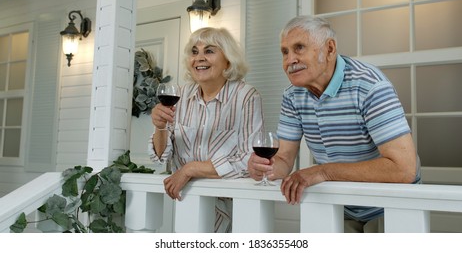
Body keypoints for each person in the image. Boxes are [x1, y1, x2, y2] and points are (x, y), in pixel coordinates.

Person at [247, 15, 421, 233]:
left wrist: (323, 172)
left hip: (390, 206)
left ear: (329, 49)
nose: (290, 60)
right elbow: (283, 159)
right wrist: (265, 168)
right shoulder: (293, 96)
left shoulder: (370, 86)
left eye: (299, 48)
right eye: (285, 52)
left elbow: (404, 169)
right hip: (339, 205)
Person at [149, 27, 264, 232]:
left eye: (209, 51)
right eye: (194, 52)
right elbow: (161, 157)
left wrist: (190, 169)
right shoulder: (181, 95)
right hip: (188, 202)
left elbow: (250, 159)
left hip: (235, 208)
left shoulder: (246, 96)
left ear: (228, 60)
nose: (199, 58)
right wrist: (160, 128)